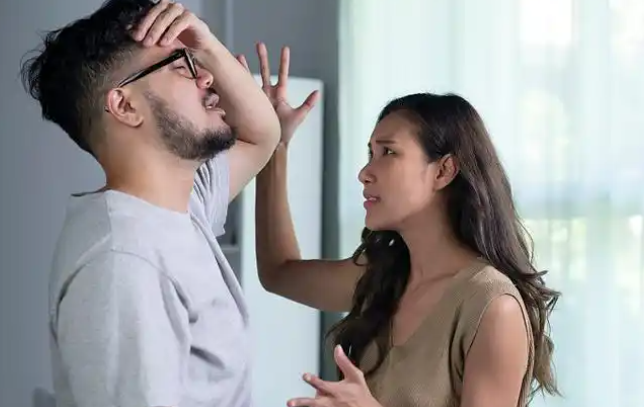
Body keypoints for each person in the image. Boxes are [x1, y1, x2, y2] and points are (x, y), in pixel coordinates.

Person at [18, 0, 313, 405]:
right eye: (182, 66)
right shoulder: (125, 262)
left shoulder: (183, 204)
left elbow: (262, 135)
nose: (207, 77)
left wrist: (206, 45)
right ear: (125, 106)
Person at [252, 63, 561, 406]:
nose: (365, 172)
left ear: (443, 171)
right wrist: (274, 145)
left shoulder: (492, 306)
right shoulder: (382, 277)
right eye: (370, 153)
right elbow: (278, 272)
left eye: (388, 152)